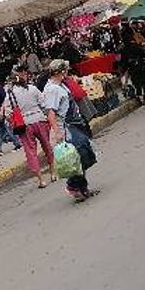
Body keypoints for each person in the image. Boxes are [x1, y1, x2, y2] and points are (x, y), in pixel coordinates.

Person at [42, 60, 98, 201]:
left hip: (74, 124)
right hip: (66, 128)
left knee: (81, 155)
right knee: (79, 155)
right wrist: (57, 132)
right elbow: (51, 112)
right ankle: (74, 186)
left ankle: (82, 188)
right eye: (65, 70)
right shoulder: (52, 89)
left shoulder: (61, 85)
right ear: (60, 72)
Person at [2, 64, 54, 187]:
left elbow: (8, 112)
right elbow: (44, 104)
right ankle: (53, 172)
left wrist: (12, 121)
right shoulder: (33, 89)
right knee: (47, 146)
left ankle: (41, 180)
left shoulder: (10, 93)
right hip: (40, 120)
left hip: (24, 125)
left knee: (31, 152)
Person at [119, 25, 145, 102]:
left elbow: (123, 61)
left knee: (137, 82)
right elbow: (143, 54)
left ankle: (140, 96)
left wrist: (123, 70)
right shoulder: (137, 46)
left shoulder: (123, 50)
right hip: (141, 65)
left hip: (132, 67)